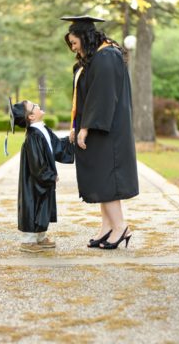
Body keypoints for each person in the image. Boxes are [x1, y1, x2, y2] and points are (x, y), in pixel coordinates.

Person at [61, 15, 139, 250]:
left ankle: (120, 227)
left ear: (85, 38)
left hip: (108, 131)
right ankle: (107, 227)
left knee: (107, 179)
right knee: (100, 178)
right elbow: (86, 95)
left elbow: (102, 96)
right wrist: (76, 125)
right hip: (99, 128)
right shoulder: (96, 57)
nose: (73, 48)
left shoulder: (107, 56)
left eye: (74, 43)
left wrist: (85, 127)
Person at [8, 98, 74, 253]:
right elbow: (37, 163)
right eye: (34, 106)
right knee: (33, 204)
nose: (38, 105)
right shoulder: (33, 136)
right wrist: (49, 175)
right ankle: (28, 241)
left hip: (42, 179)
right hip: (34, 180)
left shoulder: (43, 129)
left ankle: (40, 237)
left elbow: (55, 147)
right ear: (31, 116)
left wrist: (69, 141)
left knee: (43, 205)